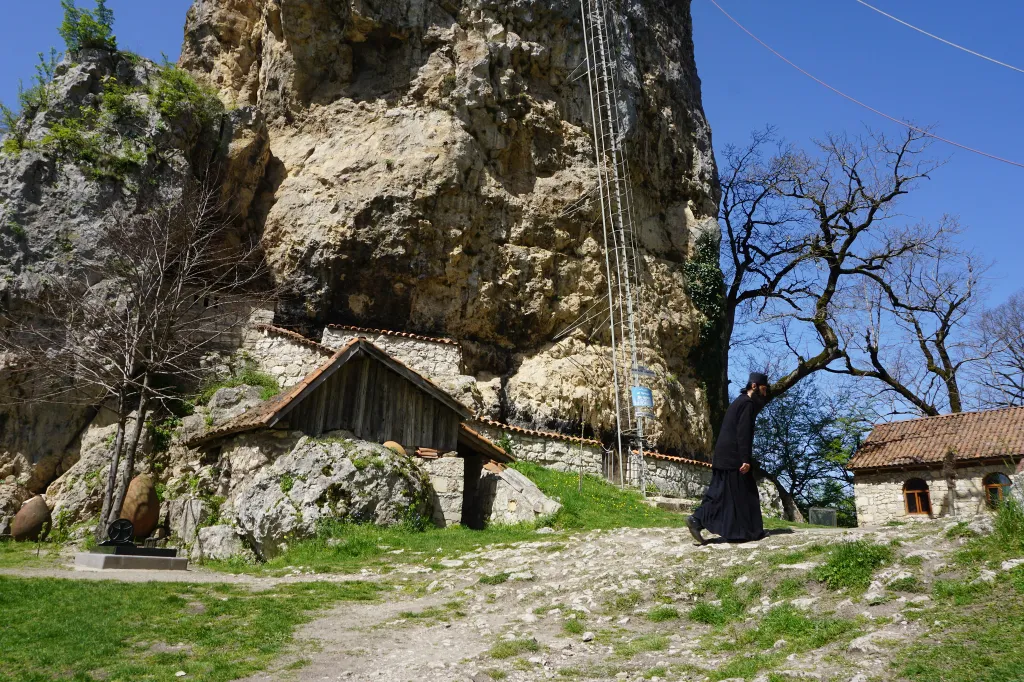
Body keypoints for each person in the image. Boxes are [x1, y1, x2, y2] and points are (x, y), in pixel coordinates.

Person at [686, 372, 770, 544]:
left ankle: (697, 520)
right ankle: (750, 532)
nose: (765, 393)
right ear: (754, 386)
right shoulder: (747, 404)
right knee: (747, 494)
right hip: (734, 458)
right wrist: (745, 459)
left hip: (723, 456)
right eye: (763, 389)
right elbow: (743, 433)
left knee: (720, 495)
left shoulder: (738, 402)